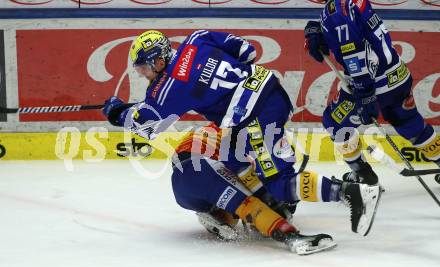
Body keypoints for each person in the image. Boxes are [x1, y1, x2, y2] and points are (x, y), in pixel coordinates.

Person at [102, 29, 382, 253]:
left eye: (143, 68)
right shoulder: (198, 38)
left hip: (253, 116)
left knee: (281, 183)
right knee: (234, 157)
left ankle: (351, 192)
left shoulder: (171, 86)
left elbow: (146, 125)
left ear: (158, 61)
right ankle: (272, 196)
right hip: (271, 93)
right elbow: (247, 51)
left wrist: (116, 111)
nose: (142, 74)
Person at [304, 0, 440, 185]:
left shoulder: (336, 10)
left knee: (334, 122)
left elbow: (354, 53)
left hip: (373, 84)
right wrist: (320, 30)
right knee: (410, 123)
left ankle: (362, 173)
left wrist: (365, 93)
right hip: (398, 76)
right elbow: (358, 33)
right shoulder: (352, 2)